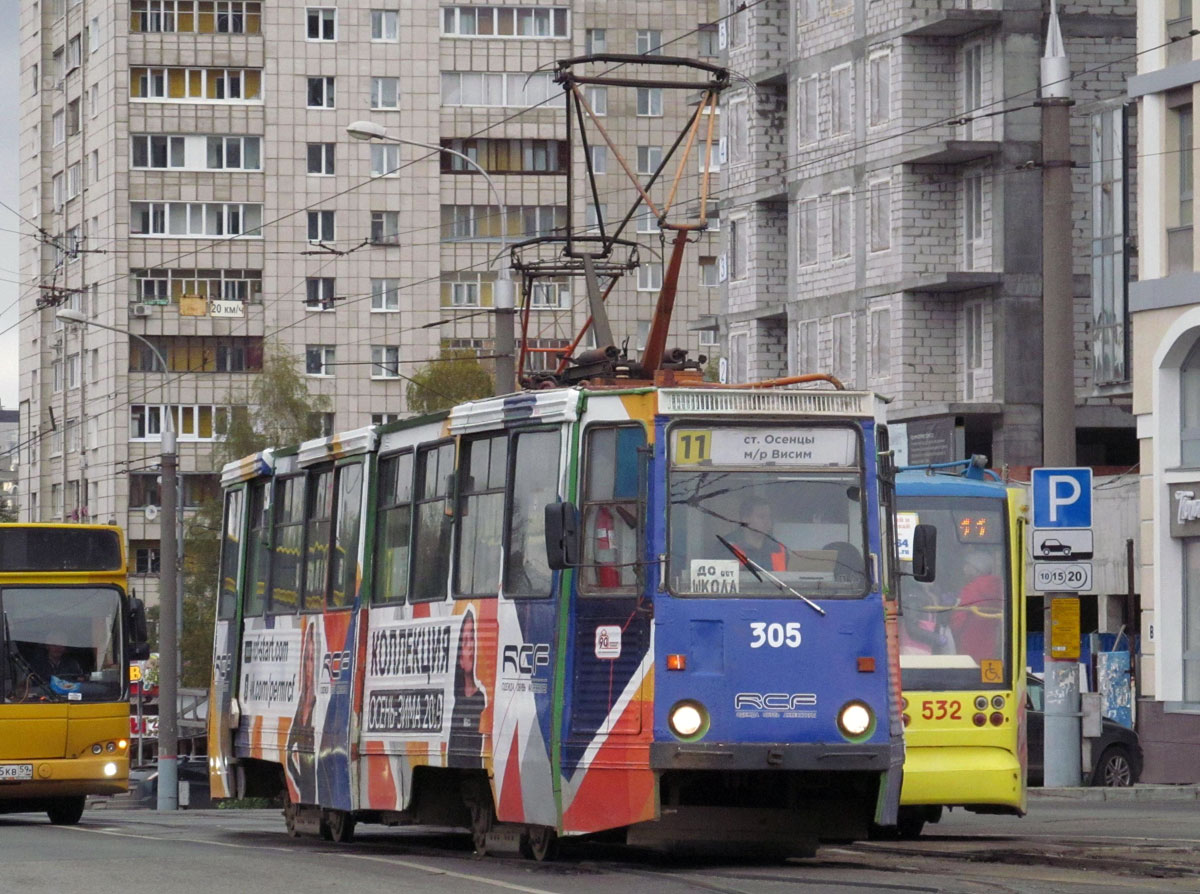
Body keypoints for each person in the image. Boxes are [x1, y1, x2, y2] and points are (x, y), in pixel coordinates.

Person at [448, 609, 486, 768]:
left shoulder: (483, 700)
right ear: (460, 659)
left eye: (472, 639)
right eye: (465, 641)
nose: (469, 646)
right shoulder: (454, 703)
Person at [286, 620, 318, 804]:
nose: (308, 666)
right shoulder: (299, 708)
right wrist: (299, 783)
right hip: (306, 792)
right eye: (306, 658)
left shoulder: (319, 705)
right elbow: (288, 753)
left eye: (312, 659)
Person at [725, 498, 788, 572]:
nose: (767, 521)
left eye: (769, 517)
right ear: (745, 519)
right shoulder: (726, 548)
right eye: (761, 517)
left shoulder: (779, 549)